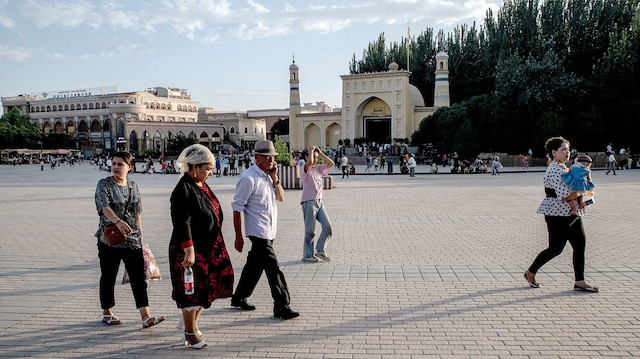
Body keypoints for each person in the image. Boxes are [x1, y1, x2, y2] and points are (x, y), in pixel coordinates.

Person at [169, 144, 234, 349]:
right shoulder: (183, 189)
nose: (211, 173)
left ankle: (190, 323)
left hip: (208, 248)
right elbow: (182, 221)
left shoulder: (200, 184)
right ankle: (189, 332)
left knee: (205, 289)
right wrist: (189, 249)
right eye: (207, 168)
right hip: (190, 249)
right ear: (194, 167)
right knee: (191, 291)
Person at [94, 151, 166, 329]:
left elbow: (137, 213)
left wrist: (140, 238)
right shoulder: (104, 184)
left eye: (120, 164)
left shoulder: (134, 186)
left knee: (138, 278)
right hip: (109, 239)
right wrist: (117, 222)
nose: (116, 167)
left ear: (129, 167)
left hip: (132, 240)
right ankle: (107, 312)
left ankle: (146, 316)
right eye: (114, 163)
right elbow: (104, 207)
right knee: (108, 276)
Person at [231, 140, 299, 320]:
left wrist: (275, 178)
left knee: (254, 266)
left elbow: (281, 198)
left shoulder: (268, 176)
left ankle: (238, 298)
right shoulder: (248, 178)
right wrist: (239, 236)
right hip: (257, 231)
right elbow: (237, 208)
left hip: (270, 229)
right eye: (266, 156)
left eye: (273, 157)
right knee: (273, 269)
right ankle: (282, 305)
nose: (271, 160)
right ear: (256, 157)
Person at [524, 137, 599, 292]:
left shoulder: (565, 168)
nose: (567, 153)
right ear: (554, 152)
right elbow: (564, 194)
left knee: (579, 245)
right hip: (557, 214)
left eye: (568, 149)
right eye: (563, 149)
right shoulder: (556, 169)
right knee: (555, 248)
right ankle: (530, 272)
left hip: (570, 213)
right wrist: (582, 192)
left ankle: (580, 281)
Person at [300, 146, 334, 262]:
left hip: (320, 202)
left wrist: (320, 152)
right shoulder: (305, 169)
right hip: (309, 202)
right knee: (310, 230)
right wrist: (310, 152)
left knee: (328, 226)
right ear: (307, 157)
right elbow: (309, 162)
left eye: (316, 158)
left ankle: (320, 250)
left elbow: (331, 163)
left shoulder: (318, 169)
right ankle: (307, 255)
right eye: (313, 157)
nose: (315, 160)